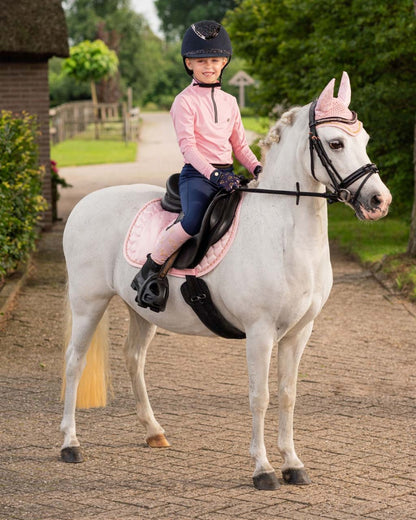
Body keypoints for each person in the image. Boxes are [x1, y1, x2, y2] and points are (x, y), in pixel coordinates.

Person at [131, 20, 262, 310]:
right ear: (189, 64)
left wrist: (257, 169)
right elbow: (188, 149)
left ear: (224, 62)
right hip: (198, 177)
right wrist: (214, 175)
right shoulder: (184, 102)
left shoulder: (230, 101)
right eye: (201, 61)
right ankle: (150, 270)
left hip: (227, 175)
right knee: (192, 221)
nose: (208, 66)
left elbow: (240, 145)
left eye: (214, 60)